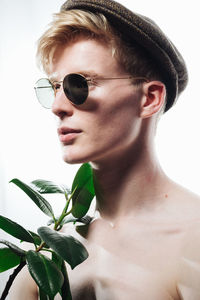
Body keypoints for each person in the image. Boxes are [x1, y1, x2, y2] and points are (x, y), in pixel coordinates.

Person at [10, 0, 200, 299]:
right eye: (54, 87)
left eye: (78, 84)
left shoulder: (193, 241)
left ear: (149, 98)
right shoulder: (50, 251)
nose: (58, 107)